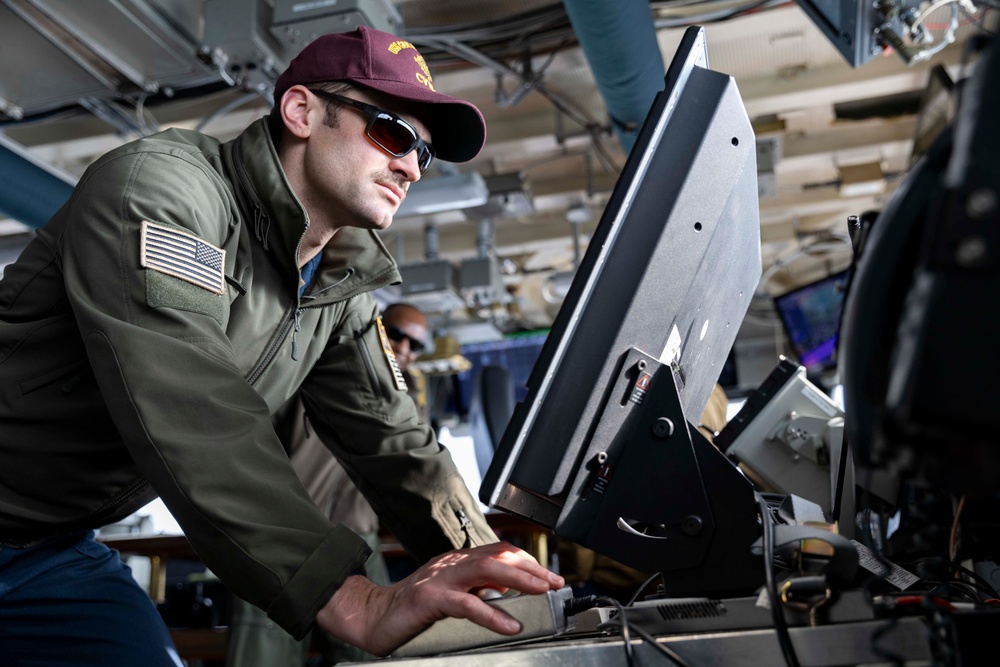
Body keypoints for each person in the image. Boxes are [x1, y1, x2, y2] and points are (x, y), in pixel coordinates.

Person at [0, 26, 564, 666]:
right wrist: (350, 598)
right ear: (301, 112)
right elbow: (194, 407)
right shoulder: (163, 189)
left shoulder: (338, 284)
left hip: (50, 549)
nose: (410, 166)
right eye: (392, 134)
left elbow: (394, 441)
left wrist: (495, 574)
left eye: (424, 153)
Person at [227, 301, 431, 666]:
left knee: (376, 657)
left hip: (359, 539)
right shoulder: (316, 365)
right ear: (377, 328)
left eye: (415, 344)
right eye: (397, 334)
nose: (403, 348)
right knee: (265, 654)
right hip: (288, 533)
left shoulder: (411, 402)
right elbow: (252, 437)